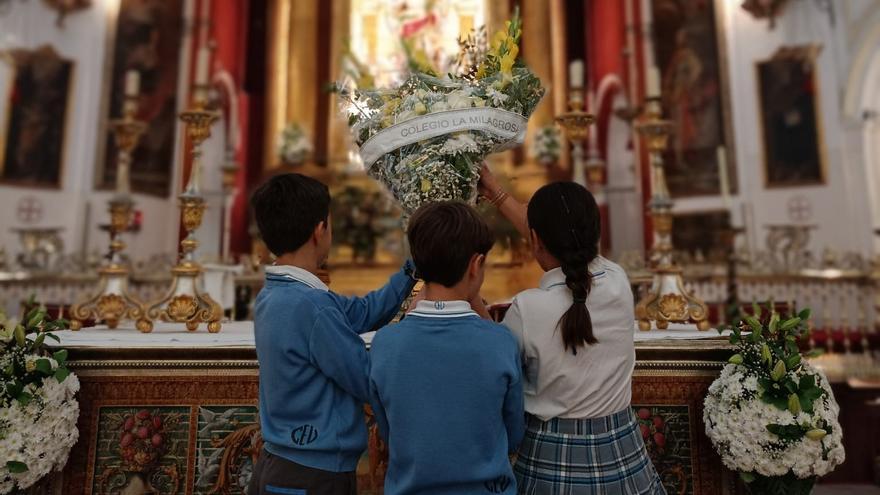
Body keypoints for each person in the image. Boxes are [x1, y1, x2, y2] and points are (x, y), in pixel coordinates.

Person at [479, 168, 666, 495]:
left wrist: (471, 295)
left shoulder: (527, 310)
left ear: (535, 240)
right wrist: (497, 193)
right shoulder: (619, 282)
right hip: (621, 450)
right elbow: (559, 242)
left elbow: (491, 355)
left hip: (550, 458)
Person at [248, 173, 418, 495]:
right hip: (313, 473)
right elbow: (364, 376)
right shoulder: (312, 307)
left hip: (281, 464)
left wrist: (411, 271)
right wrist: (412, 327)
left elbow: (362, 312)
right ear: (319, 230)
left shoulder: (276, 295)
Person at [369, 201, 525, 494]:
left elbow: (391, 432)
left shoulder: (386, 344)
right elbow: (514, 433)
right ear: (476, 264)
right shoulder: (499, 342)